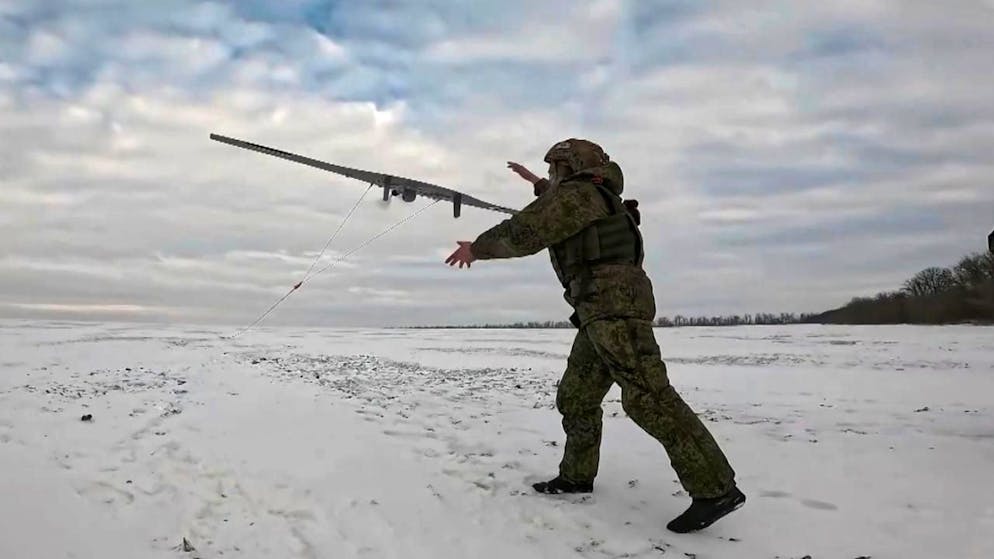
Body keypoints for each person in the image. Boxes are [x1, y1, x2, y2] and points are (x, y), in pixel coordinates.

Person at [445, 139, 745, 533]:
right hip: (598, 309)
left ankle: (716, 489)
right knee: (577, 397)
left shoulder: (579, 195)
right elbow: (556, 205)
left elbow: (527, 230)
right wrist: (535, 182)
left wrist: (477, 249)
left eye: (553, 170)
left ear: (570, 168)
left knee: (649, 397)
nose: (550, 176)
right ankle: (576, 476)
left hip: (613, 306)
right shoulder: (592, 195)